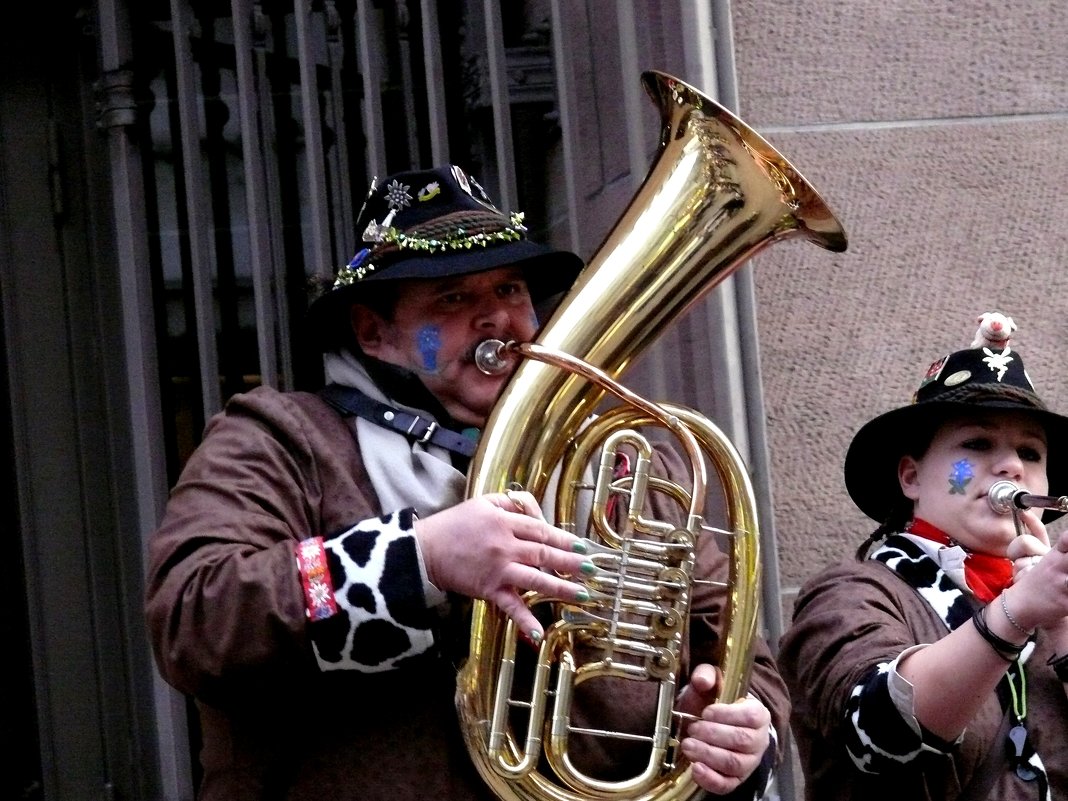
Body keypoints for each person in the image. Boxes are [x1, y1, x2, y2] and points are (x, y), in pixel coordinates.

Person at [145, 164, 789, 800]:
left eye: (510, 290)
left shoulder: (625, 462)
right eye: (453, 298)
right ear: (374, 332)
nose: (496, 320)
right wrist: (416, 560)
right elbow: (193, 617)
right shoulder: (280, 440)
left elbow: (738, 652)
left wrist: (739, 727)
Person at [778, 312, 1068, 800]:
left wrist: (1061, 628)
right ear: (910, 477)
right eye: (977, 444)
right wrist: (1016, 612)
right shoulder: (850, 592)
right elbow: (878, 734)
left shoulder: (1053, 609)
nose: (1012, 466)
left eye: (1031, 453)